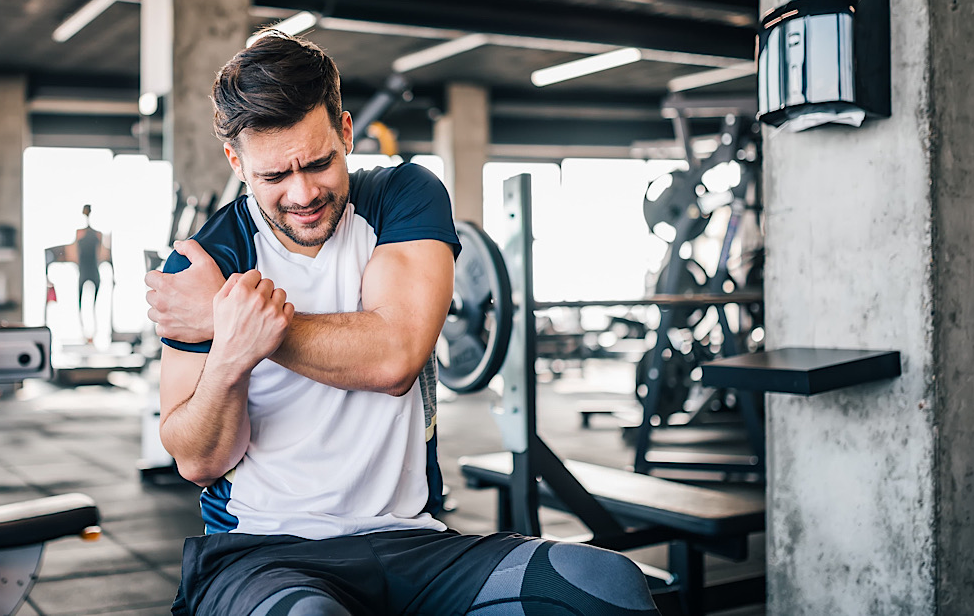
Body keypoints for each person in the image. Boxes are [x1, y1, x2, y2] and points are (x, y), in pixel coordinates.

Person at [144, 31, 658, 616]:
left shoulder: (403, 198)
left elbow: (394, 357)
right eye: (274, 177)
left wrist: (238, 322)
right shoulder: (207, 262)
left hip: (411, 541)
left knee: (603, 586)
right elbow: (197, 460)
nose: (304, 192)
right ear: (237, 162)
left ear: (346, 131)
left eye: (318, 163)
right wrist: (231, 357)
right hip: (262, 551)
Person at [74, 204, 109, 343]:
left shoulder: (95, 234)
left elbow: (101, 255)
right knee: (82, 305)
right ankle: (85, 333)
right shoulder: (83, 234)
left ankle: (93, 334)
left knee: (93, 305)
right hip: (87, 270)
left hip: (91, 270)